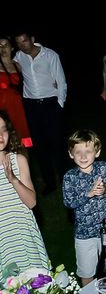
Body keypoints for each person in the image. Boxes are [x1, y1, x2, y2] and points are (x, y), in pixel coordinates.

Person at [62, 129, 106, 287]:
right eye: (78, 152)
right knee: (87, 272)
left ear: (97, 152)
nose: (83, 156)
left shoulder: (104, 168)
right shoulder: (70, 177)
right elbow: (69, 202)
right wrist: (88, 194)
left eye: (87, 151)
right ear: (71, 154)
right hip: (85, 233)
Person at [13, 31, 67, 196]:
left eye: (25, 41)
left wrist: (59, 104)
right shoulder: (18, 57)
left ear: (33, 39)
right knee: (40, 147)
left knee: (57, 144)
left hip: (51, 103)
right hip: (31, 106)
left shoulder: (50, 55)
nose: (22, 45)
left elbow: (61, 81)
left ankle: (66, 180)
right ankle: (49, 182)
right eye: (19, 43)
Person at [0, 109, 49, 271]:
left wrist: (13, 179)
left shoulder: (18, 160)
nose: (1, 136)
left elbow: (32, 202)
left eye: (3, 129)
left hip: (23, 234)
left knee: (36, 285)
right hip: (3, 239)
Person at [0, 37, 31, 148]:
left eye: (6, 45)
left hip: (17, 107)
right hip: (1, 107)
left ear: (12, 48)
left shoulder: (18, 65)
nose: (2, 48)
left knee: (18, 137)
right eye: (0, 45)